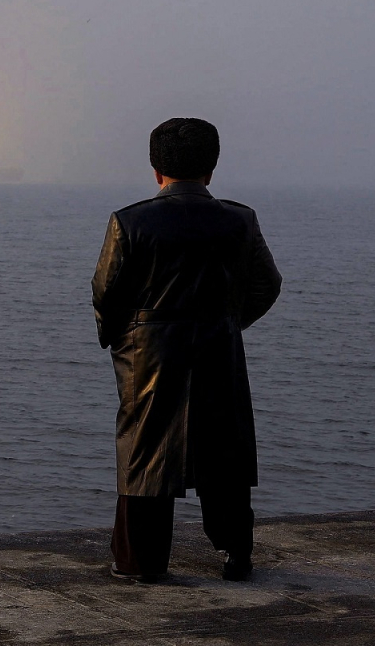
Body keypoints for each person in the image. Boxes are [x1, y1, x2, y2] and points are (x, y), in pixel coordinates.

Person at [91, 117, 282, 582]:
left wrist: (124, 340)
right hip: (219, 345)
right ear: (211, 170)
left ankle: (141, 562)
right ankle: (236, 553)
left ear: (156, 170)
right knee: (226, 451)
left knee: (144, 453)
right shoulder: (240, 220)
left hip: (150, 354)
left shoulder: (129, 221)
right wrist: (230, 323)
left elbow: (105, 293)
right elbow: (267, 285)